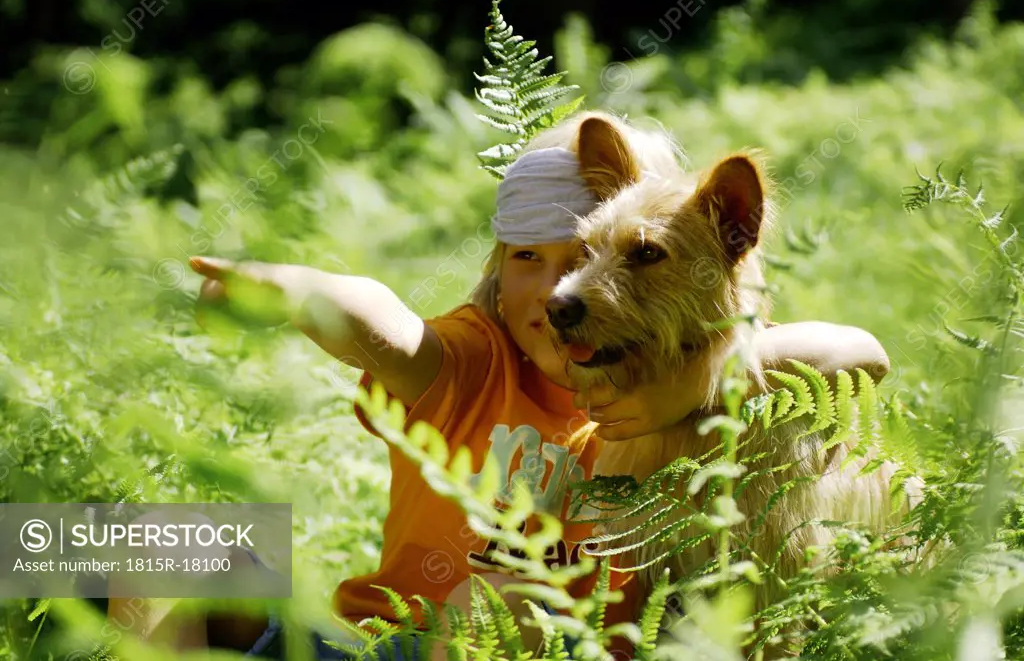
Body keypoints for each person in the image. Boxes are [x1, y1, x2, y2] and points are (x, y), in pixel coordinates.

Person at [109, 111, 890, 660]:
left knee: (507, 600)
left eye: (594, 259)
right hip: (375, 644)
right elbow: (379, 318)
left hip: (525, 646)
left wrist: (686, 394)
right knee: (129, 539)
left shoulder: (689, 397)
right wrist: (300, 286)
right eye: (528, 259)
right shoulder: (474, 363)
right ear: (496, 267)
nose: (560, 291)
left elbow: (852, 351)